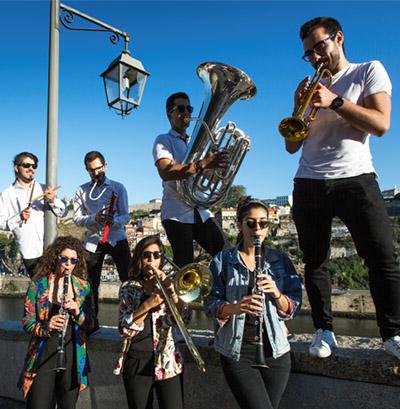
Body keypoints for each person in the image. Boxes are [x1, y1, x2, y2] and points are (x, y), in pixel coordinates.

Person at [285, 17, 400, 359]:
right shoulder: (310, 86)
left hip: (356, 178)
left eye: (320, 46)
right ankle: (323, 331)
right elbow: (292, 145)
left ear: (338, 38)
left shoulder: (368, 70)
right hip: (308, 181)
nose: (315, 57)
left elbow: (381, 124)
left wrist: (334, 101)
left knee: (382, 257)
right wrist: (298, 107)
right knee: (315, 261)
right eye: (308, 53)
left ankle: (392, 333)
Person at [204, 197, 302, 409]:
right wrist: (236, 307)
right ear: (240, 225)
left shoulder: (280, 260)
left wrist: (276, 293)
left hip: (276, 352)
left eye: (263, 223)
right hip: (238, 353)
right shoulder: (223, 260)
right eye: (250, 223)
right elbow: (210, 305)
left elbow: (293, 308)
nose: (257, 228)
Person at [18, 235, 97, 409]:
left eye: (73, 260)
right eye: (64, 259)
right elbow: (27, 322)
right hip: (43, 356)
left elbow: (92, 324)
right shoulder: (38, 285)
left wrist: (77, 311)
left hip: (72, 358)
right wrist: (47, 326)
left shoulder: (83, 287)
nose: (68, 264)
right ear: (55, 258)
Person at [152, 92, 230, 268]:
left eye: (189, 108)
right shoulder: (163, 140)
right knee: (184, 266)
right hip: (176, 214)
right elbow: (166, 171)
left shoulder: (198, 142)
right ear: (169, 114)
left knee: (226, 255)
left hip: (201, 211)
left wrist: (218, 168)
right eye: (180, 108)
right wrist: (203, 163)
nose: (186, 112)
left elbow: (204, 176)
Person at [114, 235, 189, 409]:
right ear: (139, 259)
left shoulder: (171, 284)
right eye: (146, 255)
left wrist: (172, 292)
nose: (151, 259)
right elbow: (125, 330)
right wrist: (148, 304)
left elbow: (183, 320)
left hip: (167, 360)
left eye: (157, 255)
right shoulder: (129, 288)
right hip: (137, 360)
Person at [73, 151, 130, 315]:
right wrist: (94, 217)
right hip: (92, 242)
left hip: (116, 238)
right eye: (92, 170)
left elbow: (126, 216)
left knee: (128, 280)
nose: (96, 173)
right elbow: (76, 219)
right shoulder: (81, 190)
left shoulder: (118, 187)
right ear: (87, 170)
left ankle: (131, 319)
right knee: (90, 283)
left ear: (105, 166)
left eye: (99, 168)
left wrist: (115, 221)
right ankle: (91, 321)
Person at [0, 152, 67, 277]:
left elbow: (64, 212)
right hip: (30, 251)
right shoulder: (7, 194)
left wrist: (53, 201)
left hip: (53, 247)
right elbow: (1, 222)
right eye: (26, 165)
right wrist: (18, 218)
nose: (31, 169)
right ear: (16, 167)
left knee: (57, 287)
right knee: (41, 289)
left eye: (34, 166)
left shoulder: (44, 188)